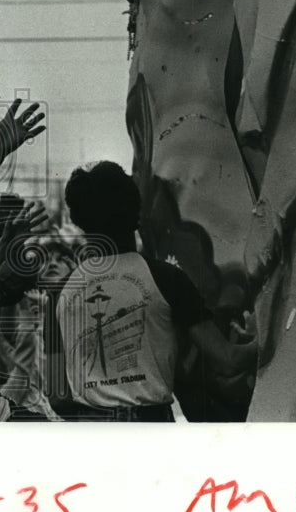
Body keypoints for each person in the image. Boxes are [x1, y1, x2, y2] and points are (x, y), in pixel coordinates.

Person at [53, 161, 256, 421]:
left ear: (80, 221)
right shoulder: (167, 279)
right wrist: (261, 342)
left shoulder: (62, 293)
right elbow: (228, 361)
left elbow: (58, 399)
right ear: (136, 216)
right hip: (151, 427)